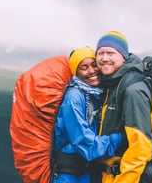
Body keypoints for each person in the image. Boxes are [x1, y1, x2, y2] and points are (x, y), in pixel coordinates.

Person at [53, 46, 124, 183]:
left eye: (93, 64)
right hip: (69, 176)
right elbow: (85, 144)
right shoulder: (74, 97)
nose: (91, 71)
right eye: (84, 67)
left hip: (86, 173)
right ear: (76, 73)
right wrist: (121, 138)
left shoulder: (95, 93)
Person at [92, 31, 152, 183]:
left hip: (125, 177)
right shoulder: (111, 84)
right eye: (100, 53)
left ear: (123, 56)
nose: (104, 58)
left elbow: (141, 148)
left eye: (111, 53)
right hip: (108, 175)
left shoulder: (133, 90)